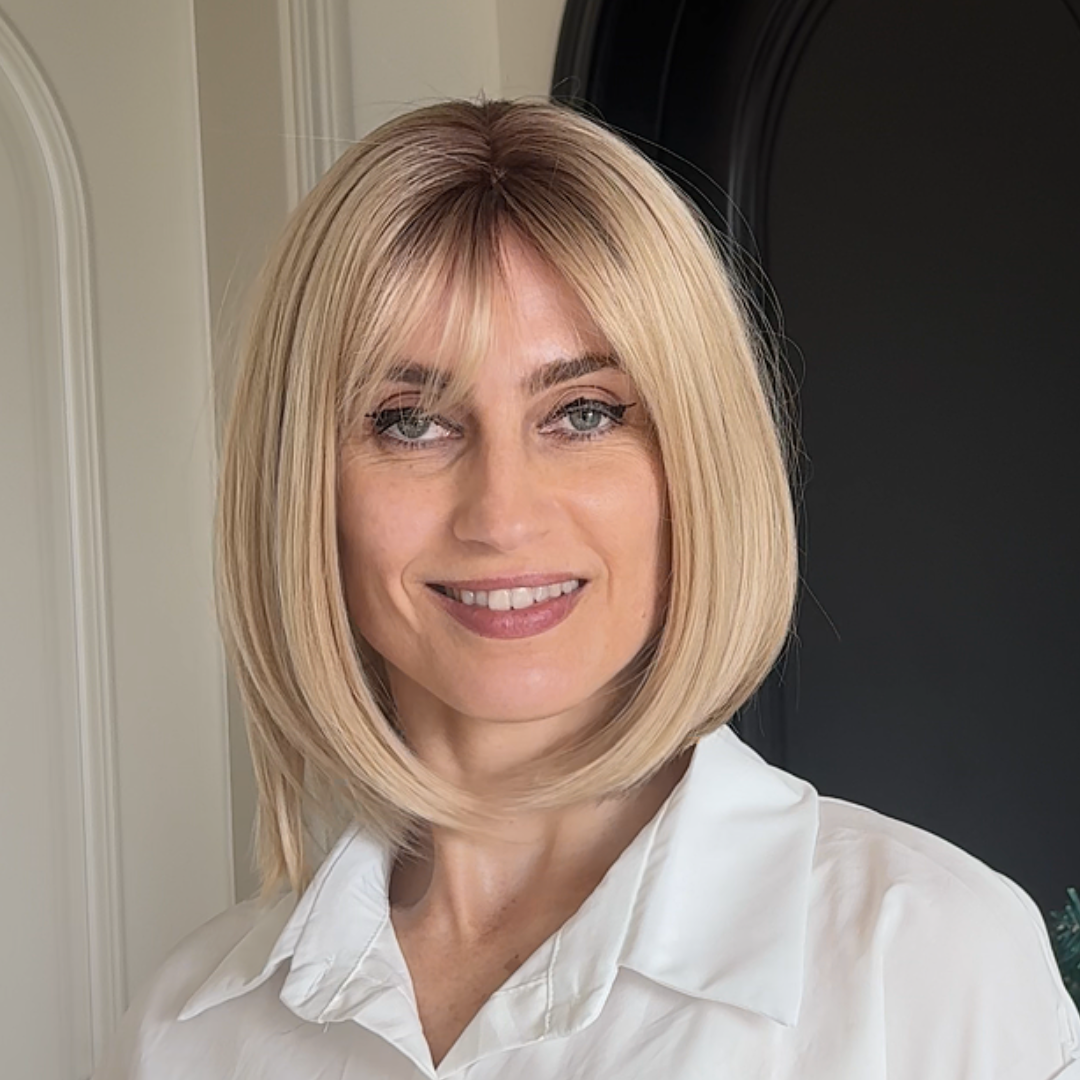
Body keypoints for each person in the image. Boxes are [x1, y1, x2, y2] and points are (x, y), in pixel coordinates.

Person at [94, 99, 1079, 1079]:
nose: (501, 515)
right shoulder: (184, 1036)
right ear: (305, 487)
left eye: (583, 413)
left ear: (691, 463)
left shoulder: (922, 964)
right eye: (411, 421)